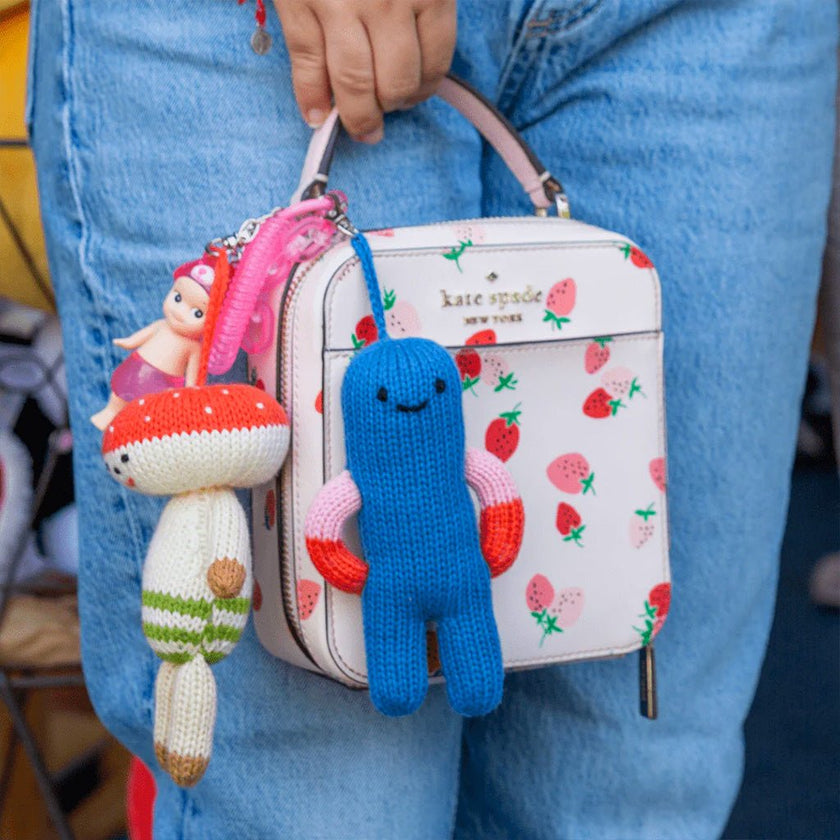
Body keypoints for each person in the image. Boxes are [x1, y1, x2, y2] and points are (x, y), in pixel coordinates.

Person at [27, 1, 837, 837]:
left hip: (713, 25)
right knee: (323, 803)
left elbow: (418, 515)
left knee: (629, 787)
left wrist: (364, 556)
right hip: (262, 33)